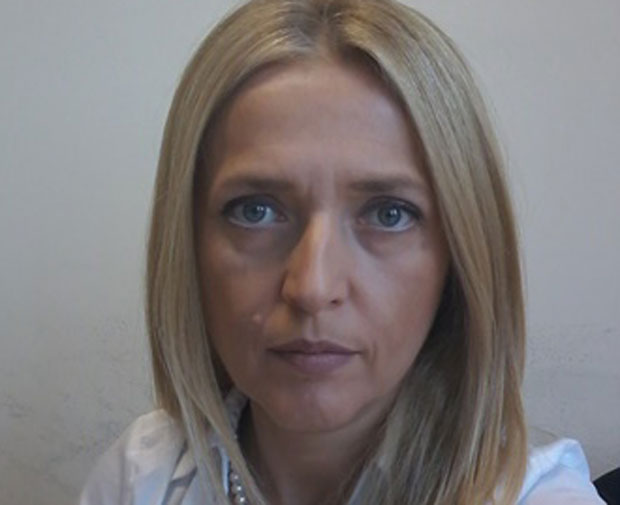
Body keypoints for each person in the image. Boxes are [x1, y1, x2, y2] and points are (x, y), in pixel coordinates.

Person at [79, 0, 605, 504]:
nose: (312, 287)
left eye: (389, 214)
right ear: (188, 246)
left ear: (460, 257)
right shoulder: (139, 477)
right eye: (255, 210)